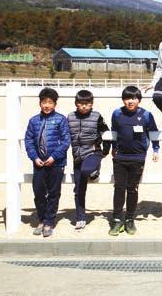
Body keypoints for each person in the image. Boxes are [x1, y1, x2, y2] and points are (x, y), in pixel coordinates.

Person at [107, 86, 159, 236]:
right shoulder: (117, 114)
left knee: (132, 188)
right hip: (120, 157)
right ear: (123, 100)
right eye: (127, 98)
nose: (130, 101)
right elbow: (114, 132)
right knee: (119, 188)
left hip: (138, 157)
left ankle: (130, 219)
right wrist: (113, 147)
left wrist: (156, 150)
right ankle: (117, 220)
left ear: (139, 100)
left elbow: (154, 133)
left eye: (134, 98)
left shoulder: (146, 115)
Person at [24, 88, 71, 238]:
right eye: (44, 102)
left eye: (50, 102)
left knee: (53, 193)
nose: (47, 105)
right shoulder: (33, 121)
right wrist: (34, 157)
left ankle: (49, 222)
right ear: (40, 103)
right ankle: (42, 219)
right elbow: (29, 141)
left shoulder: (60, 119)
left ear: (55, 104)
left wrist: (54, 157)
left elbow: (65, 141)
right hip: (38, 162)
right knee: (38, 192)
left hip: (56, 163)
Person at [67, 89, 109, 231]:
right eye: (81, 103)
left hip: (93, 152)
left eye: (87, 104)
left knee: (87, 170)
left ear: (92, 104)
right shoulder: (70, 117)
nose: (84, 106)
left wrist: (106, 149)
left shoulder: (97, 116)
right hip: (77, 156)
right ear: (76, 104)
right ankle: (80, 218)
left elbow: (106, 132)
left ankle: (95, 170)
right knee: (79, 190)